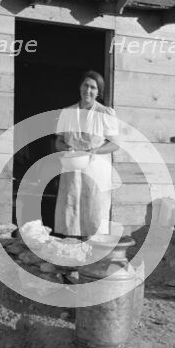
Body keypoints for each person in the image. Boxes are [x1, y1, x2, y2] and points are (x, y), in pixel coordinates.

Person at [54, 70, 119, 237]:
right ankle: (72, 256)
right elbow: (58, 141)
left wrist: (96, 150)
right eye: (85, 85)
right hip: (72, 170)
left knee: (93, 213)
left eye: (93, 87)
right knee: (71, 212)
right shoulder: (67, 112)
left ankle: (93, 256)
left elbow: (114, 144)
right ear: (80, 87)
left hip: (95, 171)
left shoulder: (105, 113)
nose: (88, 90)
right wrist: (65, 148)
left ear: (98, 92)